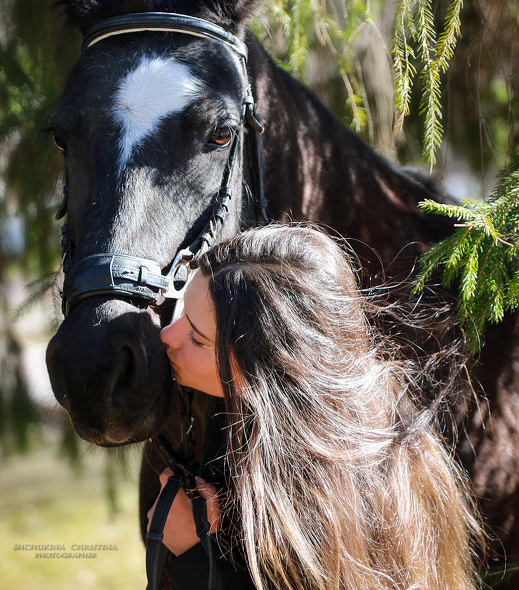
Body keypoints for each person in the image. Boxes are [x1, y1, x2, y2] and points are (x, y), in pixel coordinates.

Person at [148, 224, 483, 590]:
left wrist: (192, 550)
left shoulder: (319, 500)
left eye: (197, 337)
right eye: (182, 314)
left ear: (266, 371)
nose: (168, 336)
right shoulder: (361, 419)